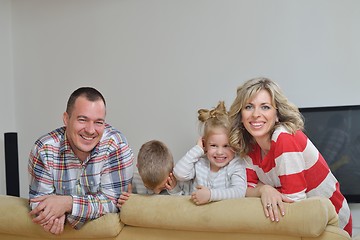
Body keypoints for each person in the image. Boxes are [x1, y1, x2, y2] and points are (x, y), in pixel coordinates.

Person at [228, 77, 352, 236]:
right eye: (249, 107)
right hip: (301, 222)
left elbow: (295, 204)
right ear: (241, 114)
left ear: (277, 114)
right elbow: (242, 189)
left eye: (265, 107)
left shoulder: (284, 137)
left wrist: (260, 188)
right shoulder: (249, 145)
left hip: (332, 224)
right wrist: (264, 190)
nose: (256, 114)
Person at [28, 87, 134, 235]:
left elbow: (113, 203)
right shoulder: (44, 149)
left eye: (98, 122)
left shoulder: (116, 145)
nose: (91, 130)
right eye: (83, 120)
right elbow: (37, 204)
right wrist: (54, 215)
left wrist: (67, 204)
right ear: (66, 119)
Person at [173, 101, 247, 205]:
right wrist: (198, 149)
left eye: (226, 146)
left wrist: (210, 195)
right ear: (205, 144)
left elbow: (239, 192)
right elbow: (179, 173)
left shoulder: (235, 164)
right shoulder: (200, 163)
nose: (220, 152)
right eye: (213, 146)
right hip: (196, 217)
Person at [117, 140, 187, 207]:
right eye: (149, 187)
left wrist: (175, 191)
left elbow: (183, 207)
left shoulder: (176, 182)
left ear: (171, 170)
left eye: (163, 187)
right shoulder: (133, 181)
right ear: (138, 169)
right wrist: (126, 202)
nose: (156, 192)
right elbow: (124, 205)